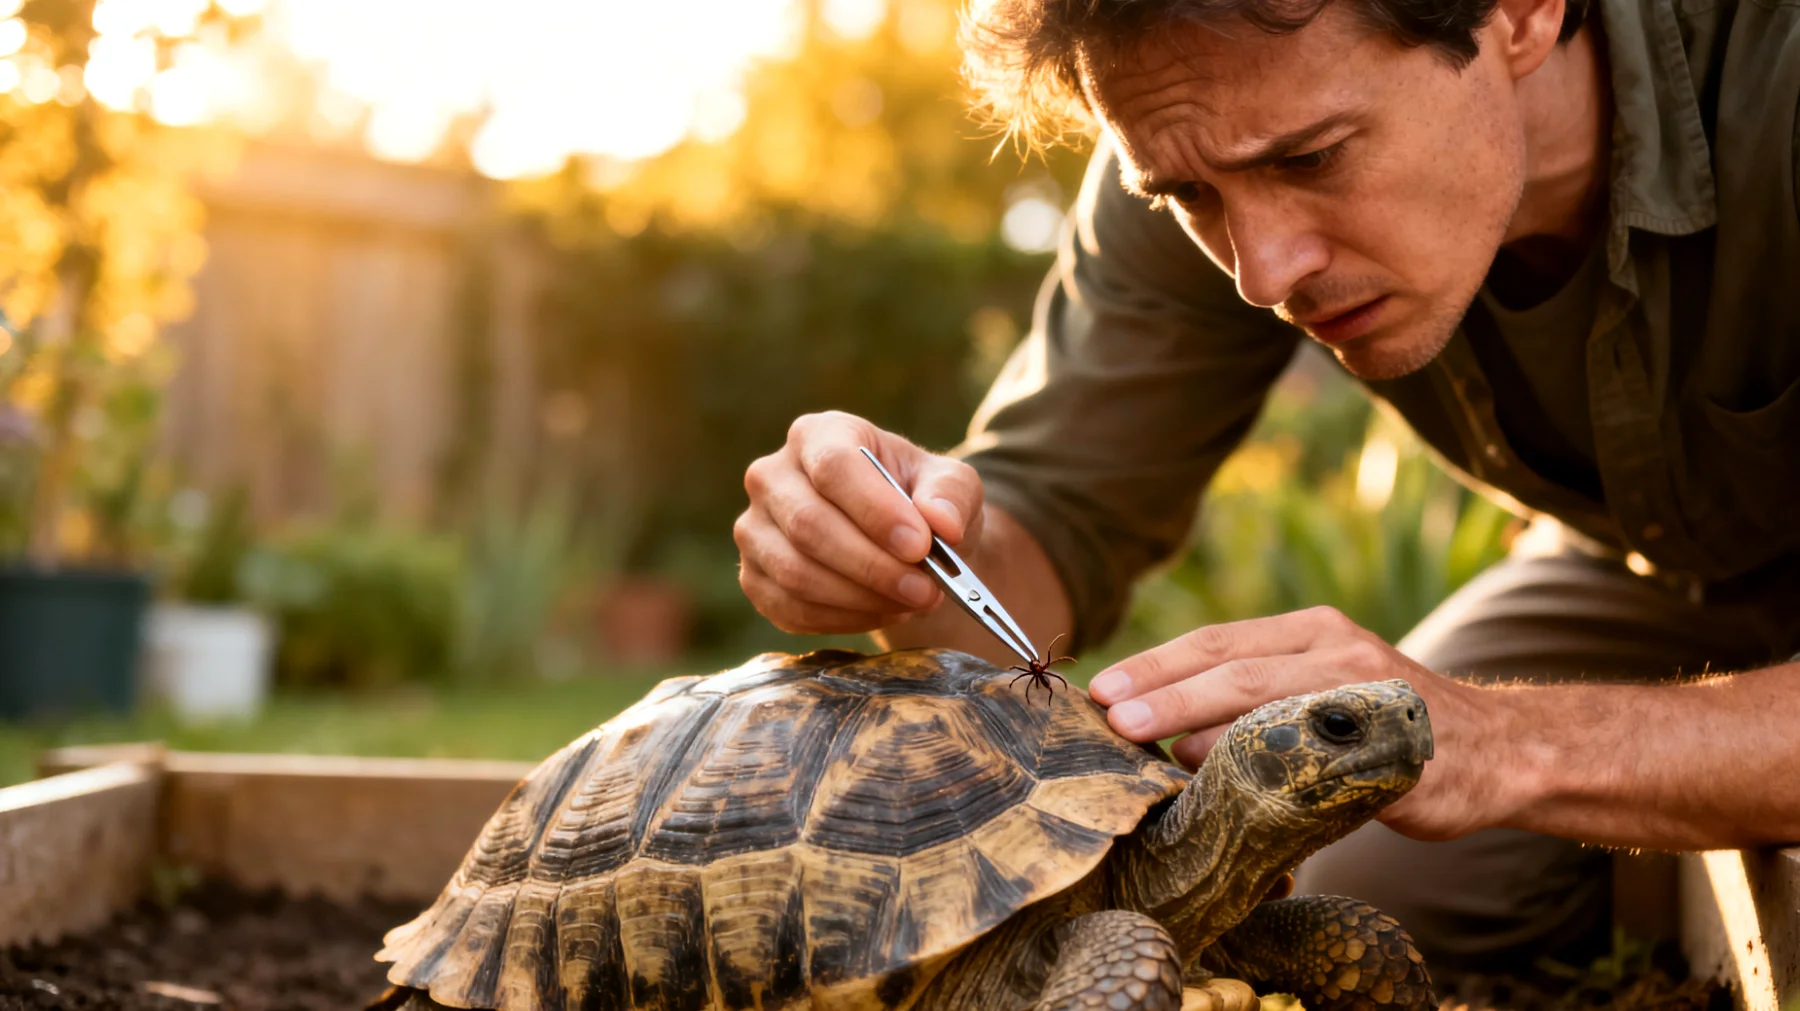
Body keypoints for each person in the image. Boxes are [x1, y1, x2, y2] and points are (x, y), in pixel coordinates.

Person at [733, 0, 1800, 976]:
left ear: (1520, 13)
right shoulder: (1195, 130)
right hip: (1650, 569)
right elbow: (1047, 530)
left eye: (1315, 157)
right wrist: (891, 550)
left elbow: (1494, 744)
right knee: (1366, 872)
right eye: (1193, 195)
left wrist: (1509, 740)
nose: (1263, 272)